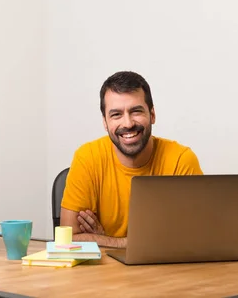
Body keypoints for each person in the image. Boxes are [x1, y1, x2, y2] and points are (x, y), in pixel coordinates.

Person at [59, 71, 203, 248]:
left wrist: (105, 241)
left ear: (152, 114)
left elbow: (196, 237)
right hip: (104, 274)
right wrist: (124, 244)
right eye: (116, 115)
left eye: (136, 111)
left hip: (167, 273)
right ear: (105, 122)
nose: (127, 123)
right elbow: (66, 239)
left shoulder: (181, 160)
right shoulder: (87, 158)